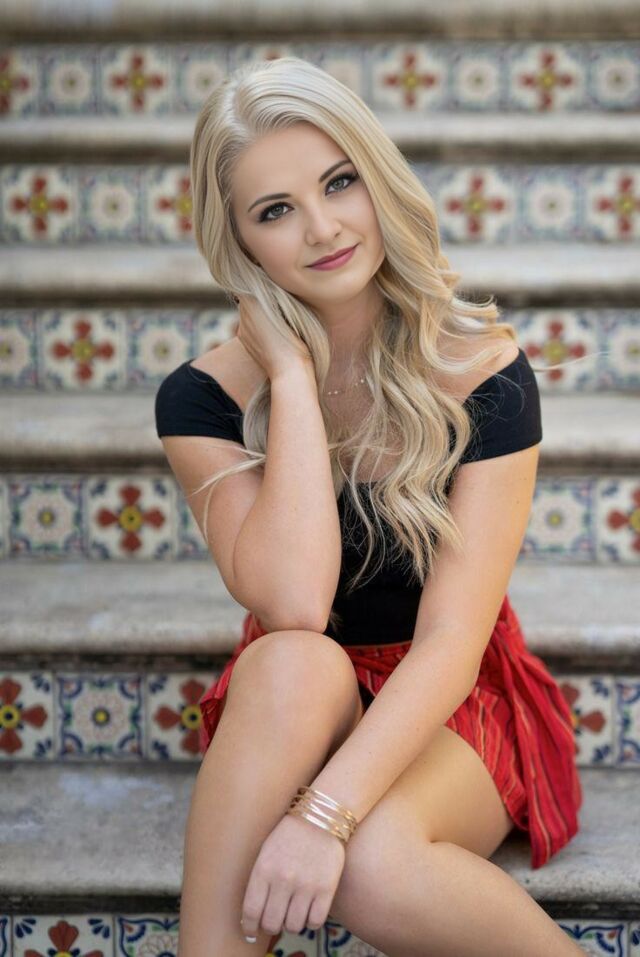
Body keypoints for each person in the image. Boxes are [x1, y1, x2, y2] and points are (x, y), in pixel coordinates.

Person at [155, 56, 584, 957]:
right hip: (293, 707)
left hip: (451, 697)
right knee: (293, 658)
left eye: (339, 181)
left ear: (377, 176)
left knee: (373, 863)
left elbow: (452, 643)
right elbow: (296, 601)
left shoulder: (482, 373)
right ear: (239, 242)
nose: (322, 228)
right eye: (276, 211)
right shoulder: (203, 400)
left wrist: (323, 815)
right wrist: (290, 377)